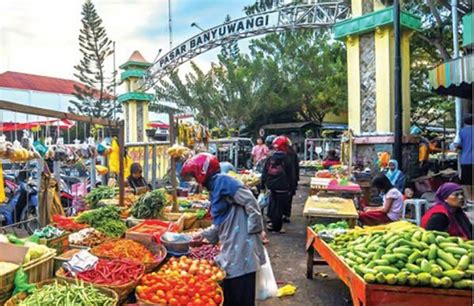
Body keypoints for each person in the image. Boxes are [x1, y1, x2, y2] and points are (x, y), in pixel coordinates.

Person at [181, 153, 265, 306]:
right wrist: (204, 234)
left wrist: (254, 230)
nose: (194, 180)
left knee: (241, 287)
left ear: (202, 171)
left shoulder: (224, 181)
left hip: (242, 243)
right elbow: (222, 222)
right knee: (233, 286)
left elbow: (250, 201)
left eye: (194, 175)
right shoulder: (215, 187)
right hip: (232, 241)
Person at [261, 136, 295, 233]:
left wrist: (263, 185)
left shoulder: (270, 157)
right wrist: (292, 188)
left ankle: (271, 223)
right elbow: (291, 174)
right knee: (280, 207)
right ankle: (277, 227)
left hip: (272, 186)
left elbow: (264, 172)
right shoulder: (287, 158)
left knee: (272, 205)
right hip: (283, 187)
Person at [454, 114, 473, 204]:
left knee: (466, 180)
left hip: (466, 159)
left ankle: (470, 198)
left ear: (465, 122)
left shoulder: (462, 132)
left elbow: (457, 145)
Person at [283, 141, 299, 223]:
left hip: (283, 180)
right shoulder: (292, 154)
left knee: (279, 199)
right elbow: (296, 168)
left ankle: (282, 215)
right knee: (289, 199)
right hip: (291, 180)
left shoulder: (281, 155)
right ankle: (286, 215)